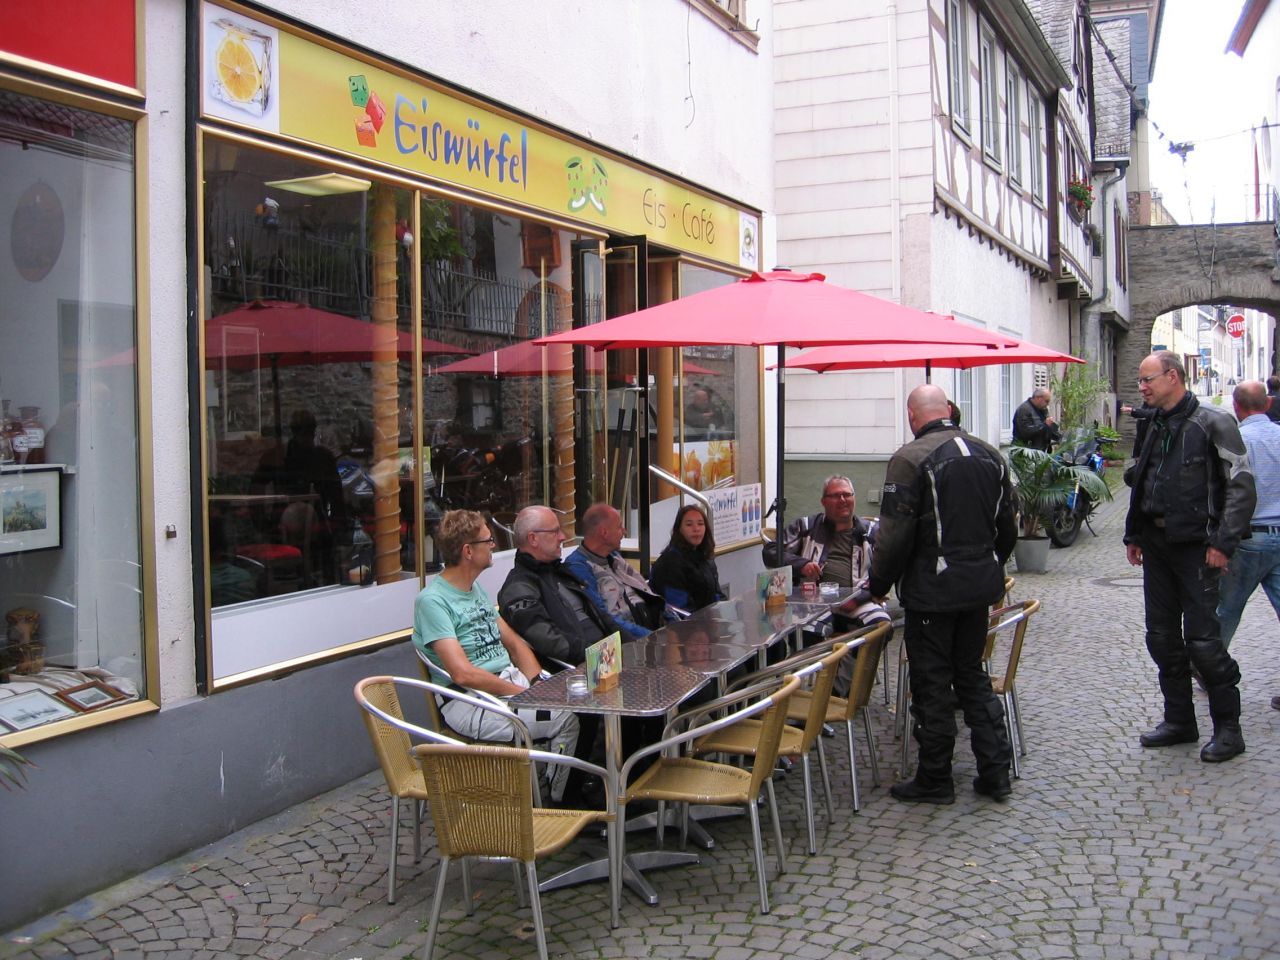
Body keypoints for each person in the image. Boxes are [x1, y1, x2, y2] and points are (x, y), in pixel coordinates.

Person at [868, 384, 1018, 804]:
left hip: (932, 591)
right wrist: (990, 565)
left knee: (932, 683)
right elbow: (1008, 523)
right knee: (971, 675)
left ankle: (935, 777)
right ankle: (996, 772)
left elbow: (894, 536)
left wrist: (877, 586)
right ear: (949, 409)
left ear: (912, 416)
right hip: (978, 587)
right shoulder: (990, 454)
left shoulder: (910, 459)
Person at [1124, 351, 1254, 762]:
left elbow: (1241, 487)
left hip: (1198, 547)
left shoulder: (1214, 421)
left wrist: (1223, 543)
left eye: (1147, 379)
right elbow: (1142, 480)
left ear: (1173, 376)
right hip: (1156, 544)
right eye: (1140, 380)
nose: (1142, 387)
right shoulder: (1152, 422)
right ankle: (1179, 720)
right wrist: (1135, 533)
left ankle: (1229, 730)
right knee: (1161, 638)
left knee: (1203, 642)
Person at [413, 510, 580, 802]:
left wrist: (536, 682)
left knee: (580, 701)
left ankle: (554, 787)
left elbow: (514, 643)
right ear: (468, 551)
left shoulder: (473, 588)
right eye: (488, 540)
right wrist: (519, 692)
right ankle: (556, 803)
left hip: (505, 687)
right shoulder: (433, 601)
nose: (494, 545)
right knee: (566, 719)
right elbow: (463, 673)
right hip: (471, 701)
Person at [761, 475, 892, 656]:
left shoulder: (870, 533)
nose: (842, 500)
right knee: (806, 633)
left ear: (854, 498)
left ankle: (847, 670)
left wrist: (857, 598)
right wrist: (801, 564)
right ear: (823, 501)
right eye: (835, 495)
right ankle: (823, 671)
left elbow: (885, 571)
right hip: (814, 603)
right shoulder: (806, 527)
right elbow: (770, 551)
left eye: (847, 495)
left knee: (881, 626)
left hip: (856, 601)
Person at [498, 505, 615, 667]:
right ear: (533, 539)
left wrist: (627, 644)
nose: (563, 537)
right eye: (555, 531)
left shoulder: (561, 572)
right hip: (582, 669)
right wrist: (605, 657)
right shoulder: (518, 588)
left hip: (609, 656)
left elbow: (602, 616)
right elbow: (550, 641)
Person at [1215, 381, 1280, 661]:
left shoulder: (1237, 441)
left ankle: (1210, 667)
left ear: (1236, 406)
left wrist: (1219, 543)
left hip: (1248, 538)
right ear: (1268, 403)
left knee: (1225, 610)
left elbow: (1225, 492)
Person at [564, 503, 666, 638]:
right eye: (619, 526)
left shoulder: (614, 558)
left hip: (654, 628)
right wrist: (651, 636)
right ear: (604, 533)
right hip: (630, 640)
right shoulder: (578, 567)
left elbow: (647, 592)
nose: (624, 532)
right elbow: (602, 617)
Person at [649, 504, 725, 613]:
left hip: (709, 618)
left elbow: (717, 595)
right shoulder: (669, 563)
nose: (696, 529)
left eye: (700, 524)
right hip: (687, 621)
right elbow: (679, 609)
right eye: (689, 524)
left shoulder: (705, 556)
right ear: (679, 529)